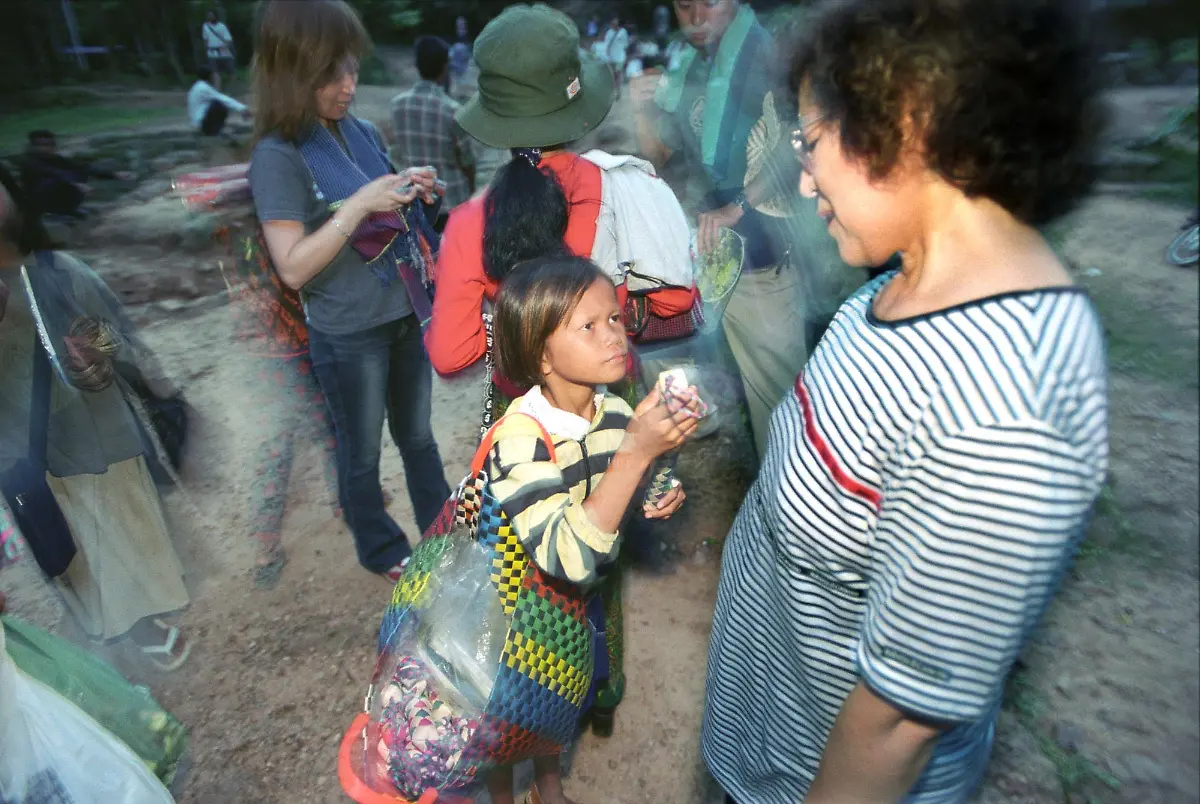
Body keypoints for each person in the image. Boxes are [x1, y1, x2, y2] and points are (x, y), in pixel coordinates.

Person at [701, 0, 1109, 801]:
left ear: (909, 117)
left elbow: (897, 723)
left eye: (810, 140)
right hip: (771, 722)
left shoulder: (1003, 415)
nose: (805, 172)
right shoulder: (908, 276)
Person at [248, 0, 451, 582]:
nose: (349, 86)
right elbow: (291, 267)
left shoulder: (358, 131)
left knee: (418, 437)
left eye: (353, 70)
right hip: (347, 334)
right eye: (332, 75)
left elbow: (386, 204)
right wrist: (363, 202)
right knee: (360, 454)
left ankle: (440, 533)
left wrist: (415, 190)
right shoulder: (277, 157)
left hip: (403, 311)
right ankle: (381, 548)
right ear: (293, 74)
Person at [485, 255, 699, 804]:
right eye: (589, 326)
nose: (614, 336)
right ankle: (503, 796)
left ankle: (548, 789)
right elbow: (567, 555)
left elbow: (630, 489)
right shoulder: (518, 437)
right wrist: (637, 452)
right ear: (540, 354)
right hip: (513, 608)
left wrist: (660, 477)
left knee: (556, 693)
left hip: (575, 605)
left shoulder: (613, 413)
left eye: (614, 318)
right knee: (506, 711)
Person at [629, 0, 849, 458]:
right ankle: (713, 428)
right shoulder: (690, 63)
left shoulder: (766, 54)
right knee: (676, 346)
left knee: (777, 397)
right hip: (711, 245)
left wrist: (739, 204)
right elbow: (662, 156)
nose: (697, 16)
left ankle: (790, 496)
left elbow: (799, 142)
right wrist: (641, 110)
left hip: (766, 249)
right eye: (685, 5)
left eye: (709, 2)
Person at [0, 166, 191, 671]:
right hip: (26, 460)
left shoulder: (60, 273)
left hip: (101, 443)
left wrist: (95, 352)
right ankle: (108, 633)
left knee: (126, 543)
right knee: (67, 551)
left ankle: (140, 629)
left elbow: (122, 341)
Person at [389, 36, 476, 221]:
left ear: (417, 65)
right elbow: (466, 160)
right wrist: (473, 189)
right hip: (452, 201)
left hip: (415, 201)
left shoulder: (397, 106)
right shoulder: (453, 110)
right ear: (445, 67)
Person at [19, 131, 134, 220]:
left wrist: (114, 175)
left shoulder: (56, 159)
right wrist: (75, 184)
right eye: (40, 145)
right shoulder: (29, 161)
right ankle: (52, 212)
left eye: (48, 145)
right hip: (38, 199)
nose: (45, 148)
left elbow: (82, 167)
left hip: (58, 193)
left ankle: (67, 210)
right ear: (33, 146)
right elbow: (51, 173)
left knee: (78, 173)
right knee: (53, 181)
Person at [188, 67, 249, 138]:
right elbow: (223, 99)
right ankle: (213, 131)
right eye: (214, 76)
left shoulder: (199, 86)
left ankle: (214, 129)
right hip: (200, 122)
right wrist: (243, 108)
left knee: (220, 104)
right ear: (210, 76)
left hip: (198, 120)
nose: (216, 77)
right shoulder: (203, 88)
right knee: (220, 105)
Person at [202, 10, 236, 89]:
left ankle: (231, 89)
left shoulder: (222, 26)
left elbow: (228, 40)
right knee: (215, 72)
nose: (210, 17)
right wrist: (206, 50)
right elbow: (206, 39)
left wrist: (223, 47)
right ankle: (217, 90)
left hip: (224, 52)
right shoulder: (205, 26)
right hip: (212, 53)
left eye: (211, 15)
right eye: (208, 15)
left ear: (215, 16)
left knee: (231, 72)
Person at [602, 17, 630, 86]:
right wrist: (606, 53)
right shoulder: (609, 32)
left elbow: (626, 44)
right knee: (613, 74)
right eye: (613, 22)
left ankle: (618, 89)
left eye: (616, 22)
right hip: (611, 56)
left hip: (620, 56)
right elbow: (606, 44)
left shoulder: (623, 32)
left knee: (618, 73)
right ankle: (615, 87)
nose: (614, 23)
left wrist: (626, 56)